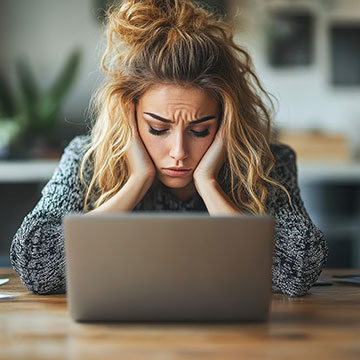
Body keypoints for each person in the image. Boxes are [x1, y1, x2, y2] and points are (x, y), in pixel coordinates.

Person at [10, 0, 327, 296]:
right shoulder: (87, 158)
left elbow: (300, 271)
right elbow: (35, 265)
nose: (179, 151)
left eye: (200, 130)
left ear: (227, 121)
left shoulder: (269, 163)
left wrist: (210, 186)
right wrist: (135, 182)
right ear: (129, 115)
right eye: (158, 129)